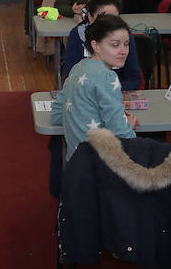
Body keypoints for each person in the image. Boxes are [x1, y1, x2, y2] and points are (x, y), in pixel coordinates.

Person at [50, 14, 139, 163]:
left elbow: (57, 116)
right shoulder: (107, 77)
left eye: (126, 44)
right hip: (102, 166)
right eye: (115, 45)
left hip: (76, 165)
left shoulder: (78, 67)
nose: (123, 51)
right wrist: (126, 125)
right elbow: (123, 135)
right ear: (96, 46)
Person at [60, 0, 143, 90]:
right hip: (87, 95)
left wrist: (108, 90)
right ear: (90, 17)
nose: (110, 24)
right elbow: (71, 78)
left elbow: (134, 80)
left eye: (115, 18)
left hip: (117, 92)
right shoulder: (77, 35)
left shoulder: (123, 37)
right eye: (104, 18)